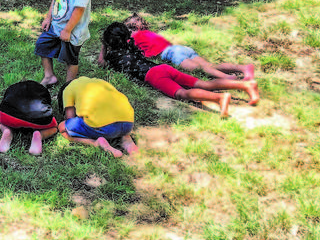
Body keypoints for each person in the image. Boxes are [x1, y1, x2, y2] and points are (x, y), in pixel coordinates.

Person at [99, 22, 259, 118]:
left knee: (183, 93)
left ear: (110, 43)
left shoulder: (114, 56)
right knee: (203, 83)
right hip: (163, 68)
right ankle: (245, 86)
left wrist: (103, 48)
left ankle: (219, 99)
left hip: (153, 76)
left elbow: (102, 64)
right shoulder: (131, 47)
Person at [123, 13, 255, 80]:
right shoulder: (148, 33)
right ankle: (243, 68)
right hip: (181, 48)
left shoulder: (133, 36)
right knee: (209, 66)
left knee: (199, 69)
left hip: (173, 53)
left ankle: (228, 79)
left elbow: (128, 47)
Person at [57, 77, 138, 158]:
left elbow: (69, 118)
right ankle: (128, 141)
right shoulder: (98, 81)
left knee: (62, 127)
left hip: (105, 126)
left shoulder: (67, 90)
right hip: (128, 121)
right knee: (116, 120)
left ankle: (96, 143)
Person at [0, 81, 59, 156]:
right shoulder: (42, 90)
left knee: (3, 123)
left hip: (10, 117)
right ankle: (40, 135)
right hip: (37, 117)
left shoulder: (12, 89)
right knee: (54, 127)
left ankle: (7, 130)